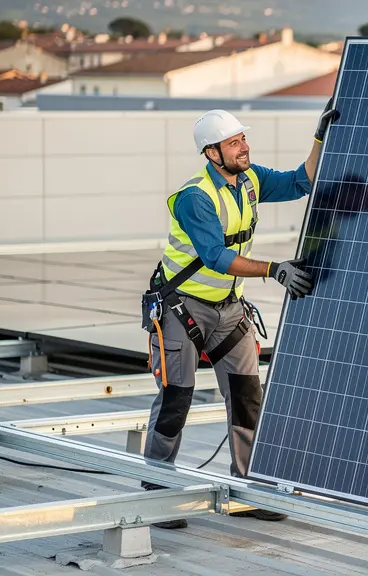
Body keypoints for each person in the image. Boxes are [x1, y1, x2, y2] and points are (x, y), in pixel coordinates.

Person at [140, 100, 339, 528]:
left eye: (243, 138)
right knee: (177, 399)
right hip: (182, 310)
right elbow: (214, 256)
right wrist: (274, 269)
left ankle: (248, 490)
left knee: (248, 398)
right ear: (212, 153)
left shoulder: (249, 180)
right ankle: (156, 488)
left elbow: (300, 182)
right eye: (233, 142)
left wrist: (320, 137)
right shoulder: (196, 197)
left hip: (229, 311)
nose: (243, 147)